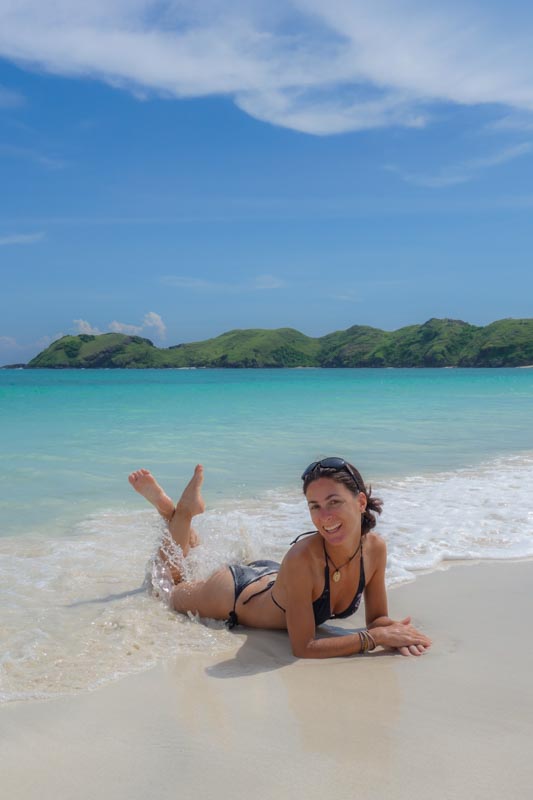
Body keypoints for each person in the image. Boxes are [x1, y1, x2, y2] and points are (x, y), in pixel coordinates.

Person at [128, 458, 431, 659]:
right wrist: (374, 638)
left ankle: (179, 516)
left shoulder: (374, 549)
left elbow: (376, 619)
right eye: (315, 506)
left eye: (334, 502)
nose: (324, 517)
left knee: (179, 572)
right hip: (233, 594)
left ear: (360, 501)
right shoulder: (303, 558)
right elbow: (304, 647)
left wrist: (394, 631)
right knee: (166, 586)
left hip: (274, 578)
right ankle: (177, 513)